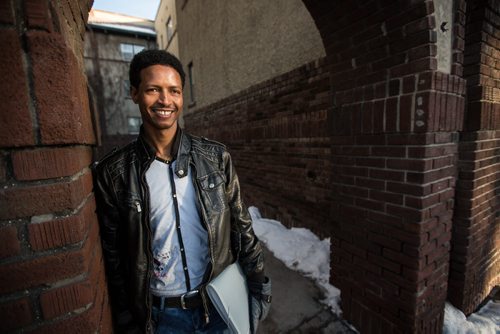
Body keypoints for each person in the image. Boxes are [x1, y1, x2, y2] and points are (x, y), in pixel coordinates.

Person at [93, 49, 271, 334]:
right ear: (134, 93)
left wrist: (259, 284)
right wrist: (127, 318)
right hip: (163, 318)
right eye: (153, 89)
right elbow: (114, 258)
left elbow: (242, 226)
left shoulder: (215, 158)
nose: (165, 100)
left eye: (174, 91)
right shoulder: (114, 173)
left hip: (220, 303)